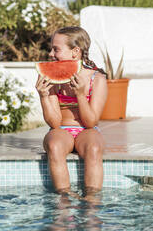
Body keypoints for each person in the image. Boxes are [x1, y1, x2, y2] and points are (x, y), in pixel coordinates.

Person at [35, 26, 108, 194]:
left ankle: (91, 201)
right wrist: (44, 96)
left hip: (87, 129)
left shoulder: (97, 79)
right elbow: (54, 122)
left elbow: (91, 122)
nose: (51, 54)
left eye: (56, 49)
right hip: (61, 129)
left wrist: (81, 95)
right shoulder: (49, 78)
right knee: (54, 145)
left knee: (94, 148)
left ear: (75, 52)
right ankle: (65, 199)